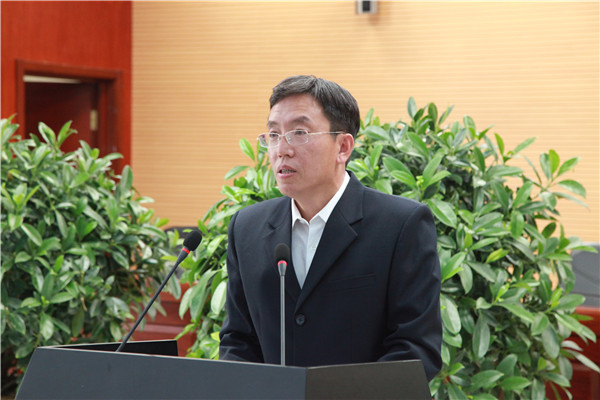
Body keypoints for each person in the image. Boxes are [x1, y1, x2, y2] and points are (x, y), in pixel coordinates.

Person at [219, 75, 442, 380]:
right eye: (273, 134)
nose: (281, 149)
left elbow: (415, 350)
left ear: (343, 147)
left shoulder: (402, 225)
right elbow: (238, 341)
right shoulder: (247, 228)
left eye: (299, 133)